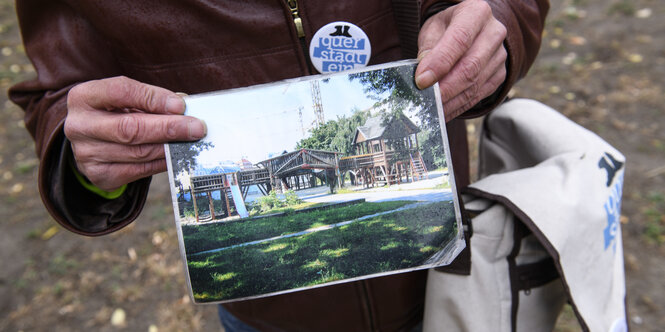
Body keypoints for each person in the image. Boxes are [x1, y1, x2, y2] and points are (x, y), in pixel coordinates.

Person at [10, 0, 548, 330]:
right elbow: (59, 93)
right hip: (270, 315)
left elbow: (504, 6)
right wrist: (82, 152)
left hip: (448, 276)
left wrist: (496, 19)